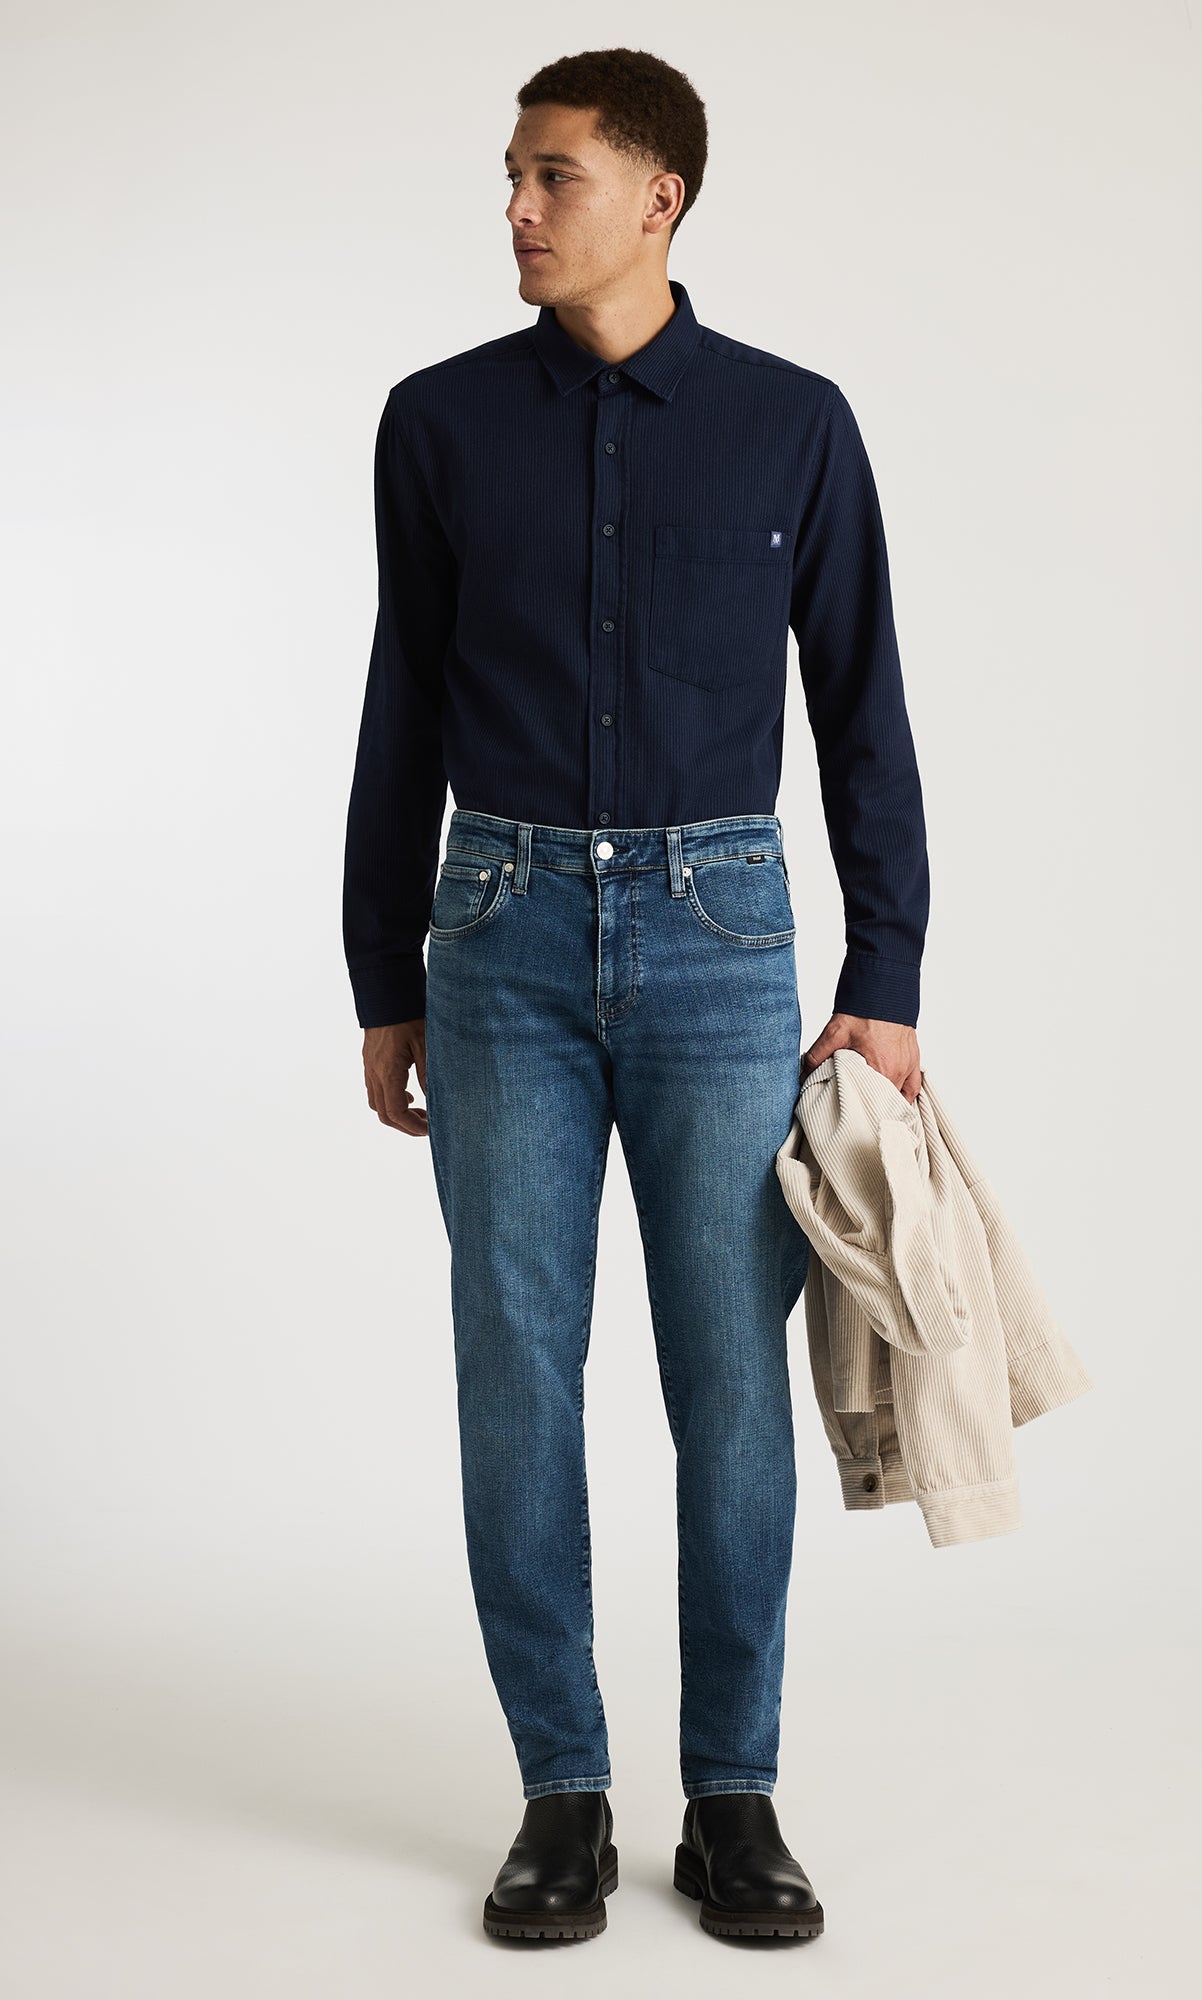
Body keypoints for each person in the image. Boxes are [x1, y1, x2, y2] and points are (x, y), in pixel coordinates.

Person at [342, 45, 929, 1944]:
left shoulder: (790, 425)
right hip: (496, 936)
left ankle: (733, 1794)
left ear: (658, 196)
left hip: (717, 938)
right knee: (514, 1369)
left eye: (554, 175)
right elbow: (402, 703)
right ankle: (562, 1794)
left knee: (727, 1382)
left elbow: (861, 703)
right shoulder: (438, 422)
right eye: (512, 174)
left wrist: (888, 971)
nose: (517, 207)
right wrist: (380, 968)